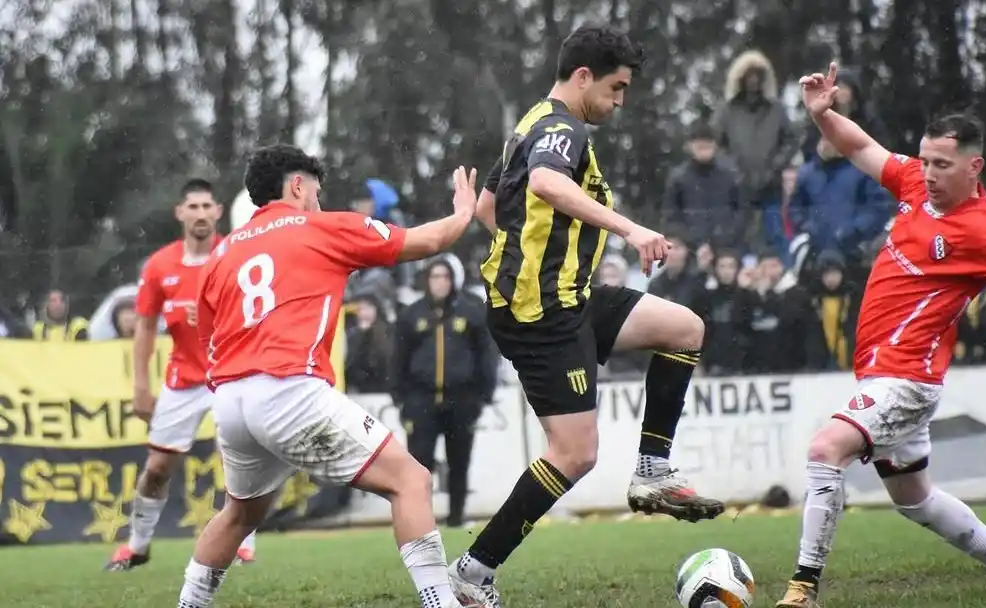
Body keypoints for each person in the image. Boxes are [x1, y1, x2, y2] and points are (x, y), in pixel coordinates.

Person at [774, 62, 986, 608]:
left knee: (825, 450)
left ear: (974, 166)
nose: (929, 172)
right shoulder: (915, 183)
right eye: (925, 160)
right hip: (884, 373)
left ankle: (803, 588)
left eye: (942, 164)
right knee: (914, 498)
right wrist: (823, 116)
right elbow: (860, 148)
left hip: (906, 379)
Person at [449, 24, 724, 608]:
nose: (619, 101)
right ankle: (471, 575)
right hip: (542, 313)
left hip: (566, 295)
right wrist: (630, 230)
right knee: (575, 454)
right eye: (615, 87)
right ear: (582, 77)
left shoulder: (529, 123)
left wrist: (526, 253)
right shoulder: (560, 128)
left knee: (684, 329)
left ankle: (653, 470)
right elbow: (547, 182)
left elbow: (489, 207)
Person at [176, 144, 477, 608]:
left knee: (240, 513)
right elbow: (429, 242)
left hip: (231, 401)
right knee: (411, 481)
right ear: (298, 185)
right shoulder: (321, 227)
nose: (319, 199)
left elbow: (208, 337)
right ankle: (443, 603)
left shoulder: (223, 253)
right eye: (316, 189)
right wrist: (463, 213)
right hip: (289, 389)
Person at [105, 179, 258, 571]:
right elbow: (144, 326)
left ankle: (242, 545)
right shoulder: (160, 265)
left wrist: (213, 317)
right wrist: (140, 385)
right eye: (193, 206)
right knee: (157, 468)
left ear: (219, 212)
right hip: (183, 379)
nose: (201, 214)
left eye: (207, 206)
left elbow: (254, 314)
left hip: (230, 375)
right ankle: (137, 547)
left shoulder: (235, 255)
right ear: (180, 213)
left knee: (238, 460)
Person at [393, 258, 498, 528]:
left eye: (445, 277)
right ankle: (421, 520)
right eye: (435, 277)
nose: (440, 282)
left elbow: (486, 355)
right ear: (427, 280)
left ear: (453, 280)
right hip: (422, 400)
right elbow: (398, 358)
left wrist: (484, 394)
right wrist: (400, 397)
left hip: (461, 399)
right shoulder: (412, 314)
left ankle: (456, 517)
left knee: (459, 462)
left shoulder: (471, 311)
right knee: (419, 465)